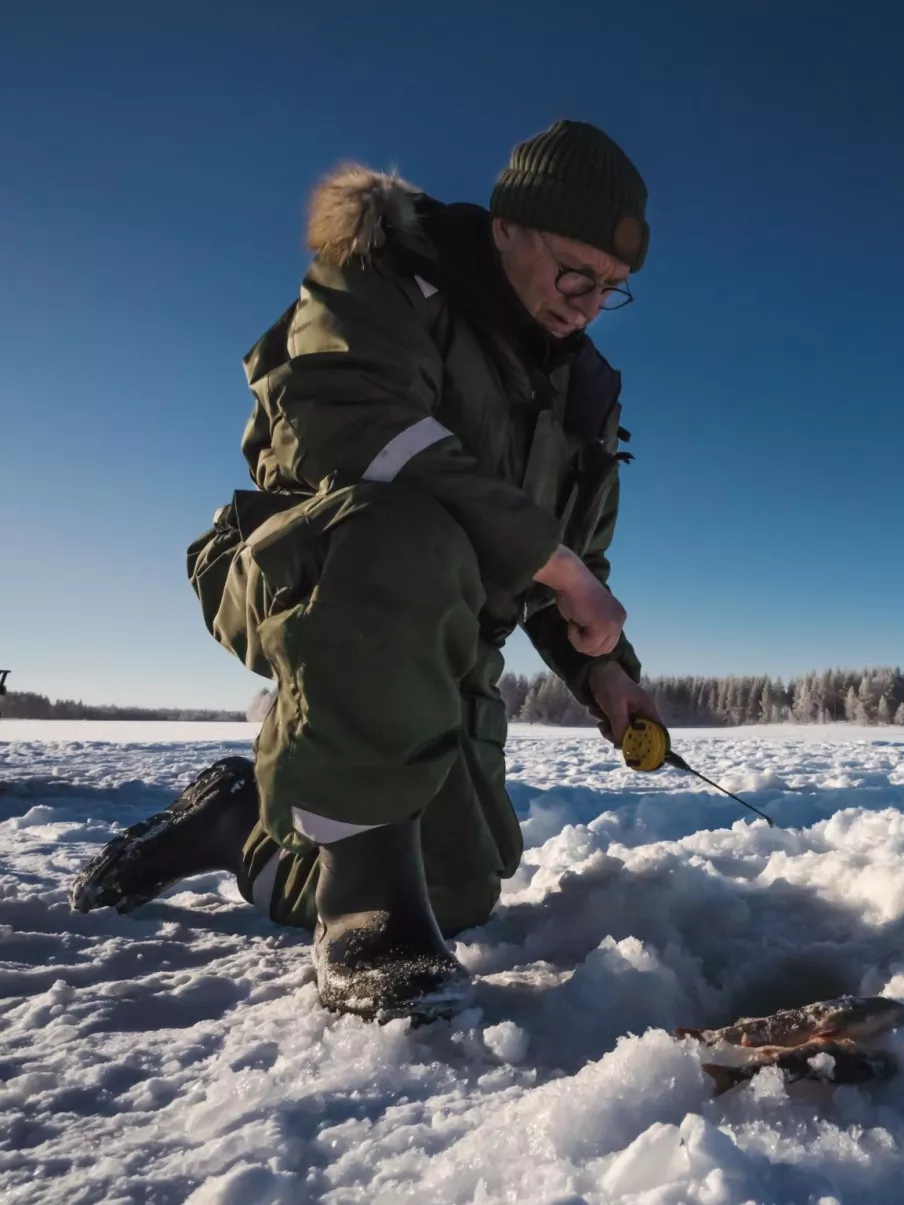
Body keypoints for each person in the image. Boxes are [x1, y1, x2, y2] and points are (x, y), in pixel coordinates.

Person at [71, 119, 663, 1023]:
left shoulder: (583, 393)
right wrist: (554, 562)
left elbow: (567, 570)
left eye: (611, 289)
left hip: (446, 634)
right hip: (314, 564)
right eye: (574, 270)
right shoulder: (385, 271)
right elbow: (352, 427)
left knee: (459, 893)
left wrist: (605, 672)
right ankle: (366, 921)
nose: (586, 302)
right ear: (507, 224)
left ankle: (241, 824)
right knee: (406, 533)